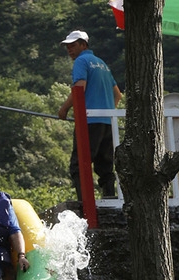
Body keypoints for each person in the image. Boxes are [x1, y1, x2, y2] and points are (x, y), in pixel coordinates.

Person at [58, 30, 122, 200]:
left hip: (90, 122)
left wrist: (64, 109)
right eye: (67, 47)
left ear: (83, 45)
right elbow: (118, 95)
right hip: (108, 123)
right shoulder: (102, 64)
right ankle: (109, 198)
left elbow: (79, 87)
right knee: (105, 165)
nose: (70, 49)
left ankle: (84, 201)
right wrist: (107, 112)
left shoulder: (82, 61)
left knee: (79, 164)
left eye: (73, 45)